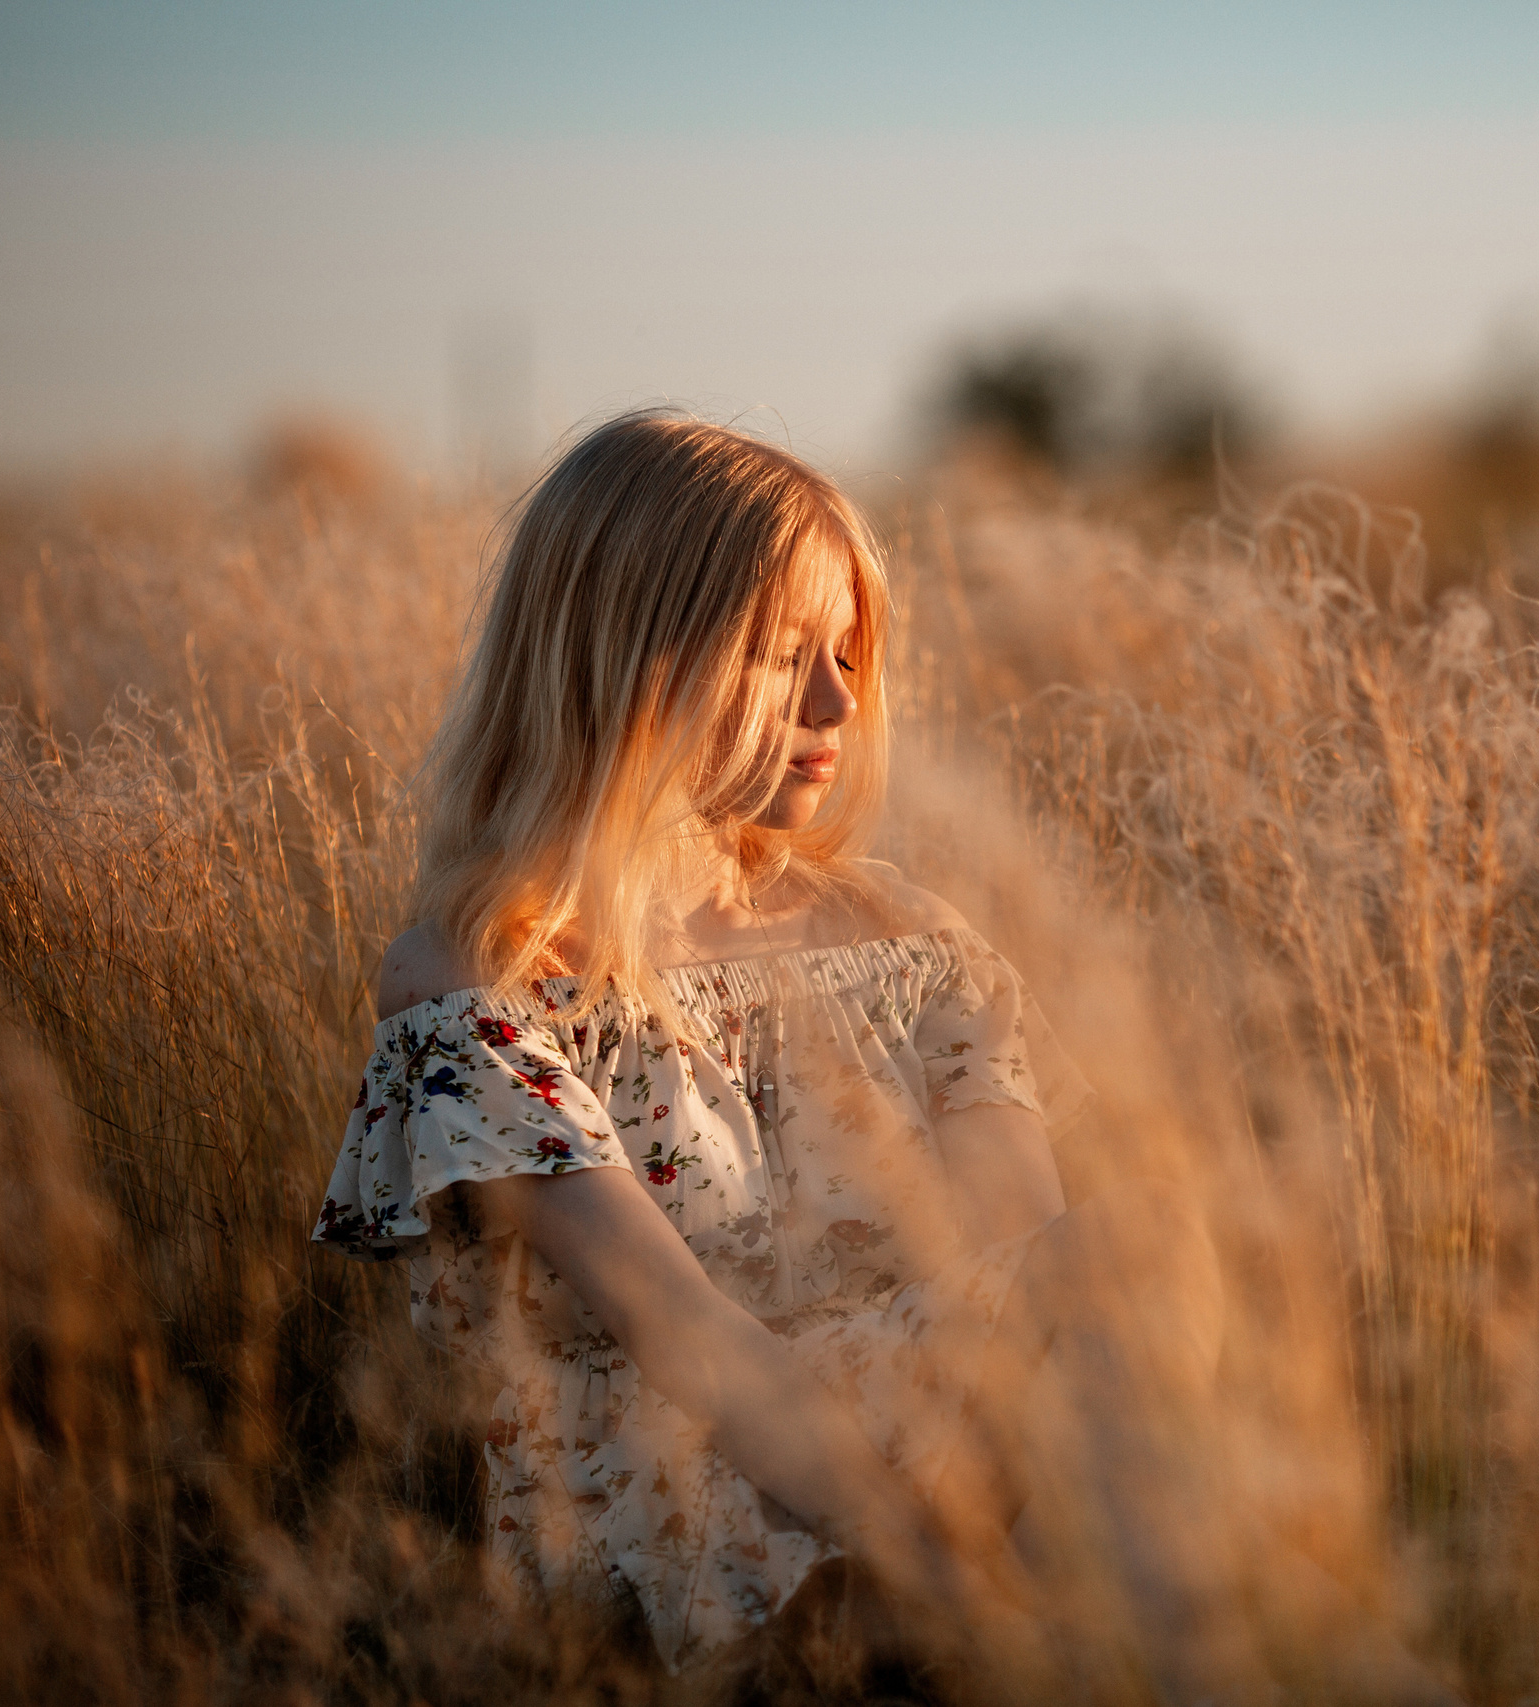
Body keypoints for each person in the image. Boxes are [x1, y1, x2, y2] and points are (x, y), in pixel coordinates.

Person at [309, 411, 1286, 1697]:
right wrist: (947, 1567)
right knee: (1166, 1543)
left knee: (1147, 1310)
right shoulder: (481, 980)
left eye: (848, 655)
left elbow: (1016, 1272)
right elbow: (681, 1333)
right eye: (779, 656)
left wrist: (1012, 1526)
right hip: (687, 1494)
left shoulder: (907, 940)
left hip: (959, 1464)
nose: (836, 703)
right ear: (630, 659)